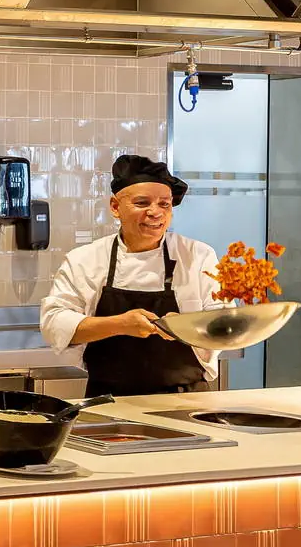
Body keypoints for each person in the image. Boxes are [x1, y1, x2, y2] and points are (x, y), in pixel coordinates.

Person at [40, 153, 220, 397]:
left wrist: (185, 327)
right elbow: (54, 323)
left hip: (186, 398)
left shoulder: (198, 256)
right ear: (115, 207)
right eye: (142, 203)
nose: (155, 213)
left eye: (164, 204)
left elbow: (222, 321)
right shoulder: (85, 259)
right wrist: (120, 324)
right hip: (108, 400)